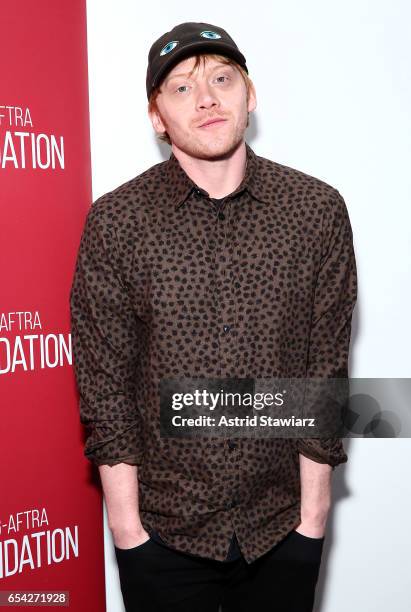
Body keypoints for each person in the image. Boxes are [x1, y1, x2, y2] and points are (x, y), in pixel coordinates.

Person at [69, 21, 357, 612]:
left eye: (222, 80)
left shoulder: (315, 211)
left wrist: (313, 518)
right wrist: (128, 534)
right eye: (180, 88)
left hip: (282, 529)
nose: (206, 99)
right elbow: (105, 388)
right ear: (156, 116)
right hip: (163, 536)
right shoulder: (117, 223)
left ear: (249, 96)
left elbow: (322, 373)